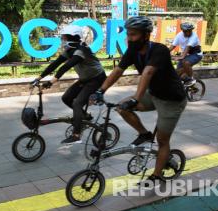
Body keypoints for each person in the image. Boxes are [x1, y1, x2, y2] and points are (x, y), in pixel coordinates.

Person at [92, 16, 187, 185]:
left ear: (146, 35)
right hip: (154, 95)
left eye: (134, 34)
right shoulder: (132, 51)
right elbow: (118, 70)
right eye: (128, 34)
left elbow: (148, 72)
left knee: (163, 141)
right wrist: (101, 91)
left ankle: (157, 175)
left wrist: (136, 98)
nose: (129, 38)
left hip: (171, 100)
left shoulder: (159, 50)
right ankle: (144, 134)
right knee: (122, 107)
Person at [32, 25, 106, 144]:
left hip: (96, 79)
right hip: (85, 79)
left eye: (64, 37)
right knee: (66, 98)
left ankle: (76, 135)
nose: (63, 40)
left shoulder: (81, 51)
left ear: (73, 37)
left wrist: (51, 82)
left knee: (77, 103)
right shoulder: (70, 50)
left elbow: (66, 66)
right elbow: (55, 64)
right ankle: (84, 116)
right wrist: (39, 78)